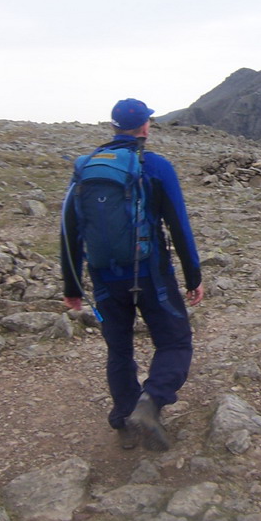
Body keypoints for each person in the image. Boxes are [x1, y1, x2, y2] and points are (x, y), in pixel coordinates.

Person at [61, 98, 204, 451]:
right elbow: (179, 225)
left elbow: (69, 229)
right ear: (144, 127)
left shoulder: (87, 168)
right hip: (151, 273)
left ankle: (124, 419)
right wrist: (193, 276)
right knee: (175, 341)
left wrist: (72, 286)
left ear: (113, 126)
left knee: (119, 348)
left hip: (105, 277)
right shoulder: (155, 166)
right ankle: (151, 402)